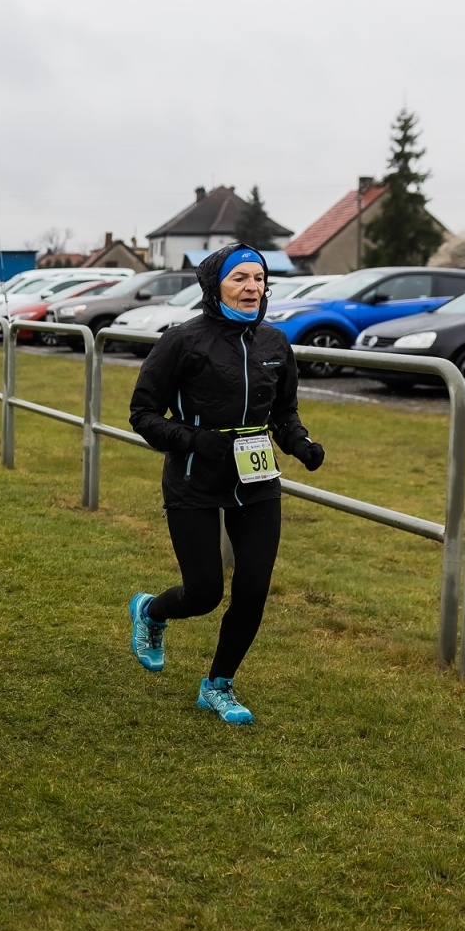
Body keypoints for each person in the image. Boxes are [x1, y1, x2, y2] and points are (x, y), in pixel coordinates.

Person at [125, 243, 326, 723]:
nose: (252, 287)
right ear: (215, 287)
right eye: (240, 279)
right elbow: (142, 414)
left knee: (254, 588)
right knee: (205, 594)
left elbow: (283, 411)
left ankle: (218, 684)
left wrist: (299, 442)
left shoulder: (275, 344)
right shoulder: (182, 341)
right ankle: (151, 613)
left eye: (258, 279)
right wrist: (195, 440)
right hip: (195, 478)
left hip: (256, 481)